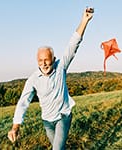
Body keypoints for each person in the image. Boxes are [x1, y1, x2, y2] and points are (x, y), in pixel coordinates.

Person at [8, 7, 94, 149]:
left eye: (47, 60)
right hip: (47, 121)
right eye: (40, 60)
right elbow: (23, 102)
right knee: (58, 147)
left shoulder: (61, 67)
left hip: (63, 116)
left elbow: (73, 44)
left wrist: (84, 20)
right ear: (37, 61)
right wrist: (15, 127)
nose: (44, 63)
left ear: (53, 59)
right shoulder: (33, 79)